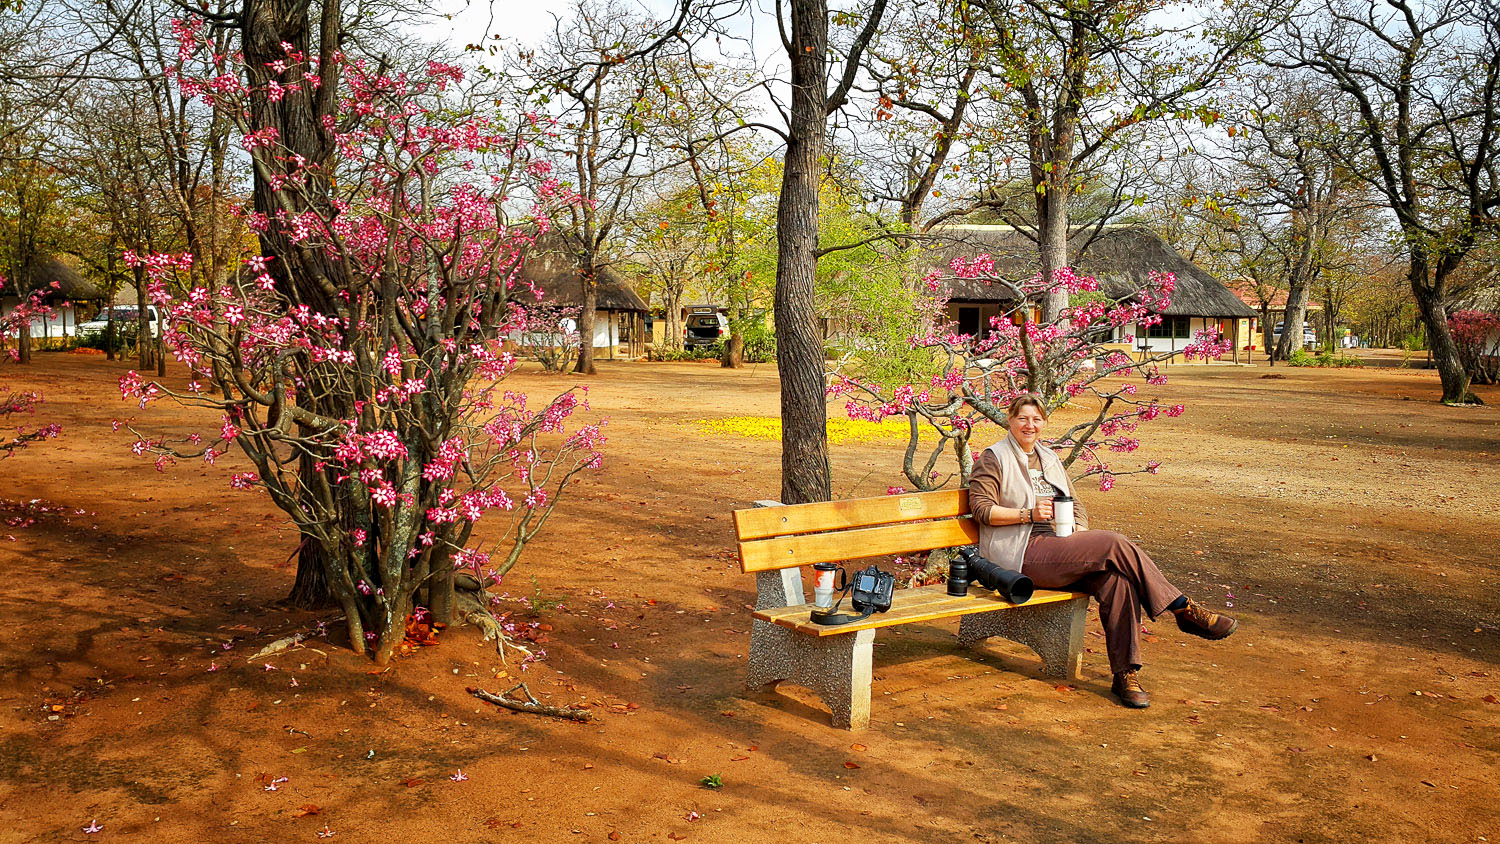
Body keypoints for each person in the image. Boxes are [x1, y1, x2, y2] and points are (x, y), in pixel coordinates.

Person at [967, 393, 1236, 708]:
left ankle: (1125, 675)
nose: (1030, 425)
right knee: (1113, 543)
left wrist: (1078, 532)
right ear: (1010, 420)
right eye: (1023, 418)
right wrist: (1028, 514)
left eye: (1037, 419)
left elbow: (1075, 504)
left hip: (1058, 545)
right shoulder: (994, 458)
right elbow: (981, 509)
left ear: (1044, 423)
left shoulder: (1049, 457)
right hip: (1020, 551)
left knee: (1116, 580)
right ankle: (1182, 607)